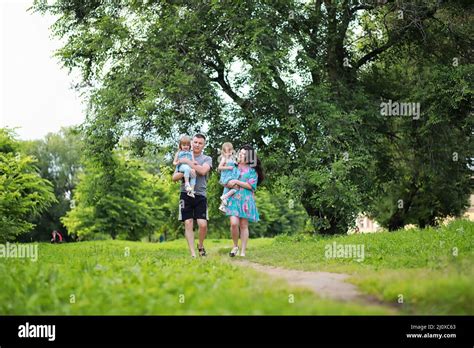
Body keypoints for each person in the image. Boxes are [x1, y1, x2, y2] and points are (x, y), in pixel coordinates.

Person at [172, 134, 212, 257]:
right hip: (185, 193)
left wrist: (188, 163)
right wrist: (186, 170)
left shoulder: (207, 158)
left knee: (203, 224)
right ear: (191, 143)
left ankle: (200, 245)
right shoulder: (182, 154)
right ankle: (193, 254)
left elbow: (203, 171)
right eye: (195, 142)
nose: (197, 145)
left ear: (203, 145)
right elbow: (174, 177)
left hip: (200, 194)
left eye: (200, 143)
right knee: (188, 222)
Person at [224, 144, 264, 257]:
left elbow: (251, 186)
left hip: (246, 200)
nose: (240, 155)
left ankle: (243, 251)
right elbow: (224, 180)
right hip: (233, 198)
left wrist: (236, 182)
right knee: (233, 223)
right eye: (240, 153)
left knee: (243, 225)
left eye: (243, 154)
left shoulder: (252, 170)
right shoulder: (233, 166)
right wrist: (228, 183)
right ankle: (235, 246)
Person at [217, 142, 240, 213]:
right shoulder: (224, 158)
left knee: (226, 189)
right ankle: (224, 197)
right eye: (227, 151)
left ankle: (222, 205)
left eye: (230, 151)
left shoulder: (232, 158)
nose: (229, 153)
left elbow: (236, 163)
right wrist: (228, 167)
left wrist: (236, 162)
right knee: (236, 188)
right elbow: (219, 167)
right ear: (224, 152)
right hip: (227, 177)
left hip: (232, 176)